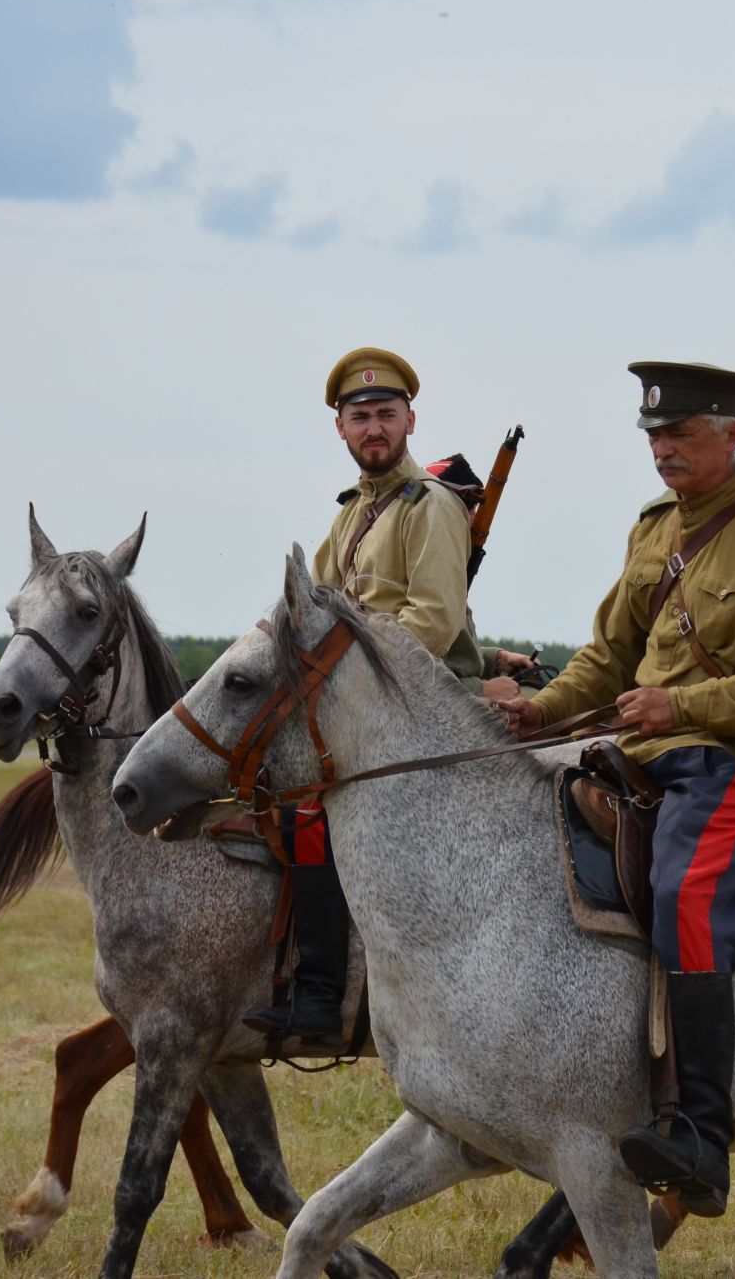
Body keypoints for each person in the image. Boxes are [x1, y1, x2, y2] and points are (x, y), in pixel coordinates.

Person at [496, 362, 735, 1217]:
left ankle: (700, 1133)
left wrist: (681, 703)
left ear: (732, 435)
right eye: (653, 435)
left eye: (681, 434)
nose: (663, 450)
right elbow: (610, 654)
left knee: (686, 891)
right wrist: (539, 711)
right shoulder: (654, 528)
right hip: (639, 748)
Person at [244, 346, 529, 1053]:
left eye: (386, 415)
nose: (374, 428)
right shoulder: (348, 520)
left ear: (410, 421)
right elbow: (307, 616)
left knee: (311, 809)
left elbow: (431, 623)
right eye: (360, 417)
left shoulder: (429, 508)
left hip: (421, 706)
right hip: (356, 707)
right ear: (341, 430)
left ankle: (320, 999)